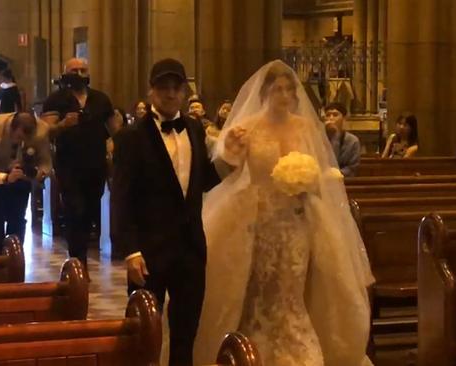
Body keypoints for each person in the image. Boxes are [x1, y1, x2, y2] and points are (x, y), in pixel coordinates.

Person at [194, 60, 373, 366]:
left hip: (296, 222)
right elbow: (228, 171)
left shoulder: (304, 127)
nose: (284, 95)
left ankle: (297, 347)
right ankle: (254, 346)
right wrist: (231, 151)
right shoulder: (248, 127)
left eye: (289, 89)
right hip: (259, 222)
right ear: (264, 93)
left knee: (291, 290)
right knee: (260, 289)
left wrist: (309, 180)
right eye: (277, 89)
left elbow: (319, 168)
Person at [110, 58, 220, 366]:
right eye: (163, 88)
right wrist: (130, 250)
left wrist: (231, 161)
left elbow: (201, 182)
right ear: (151, 91)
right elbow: (121, 197)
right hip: (149, 250)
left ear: (184, 92)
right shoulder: (131, 137)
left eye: (176, 88)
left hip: (190, 249)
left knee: (186, 333)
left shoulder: (195, 129)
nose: (170, 94)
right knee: (143, 333)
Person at [41, 58, 114, 275]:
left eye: (83, 70)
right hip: (68, 164)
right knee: (75, 210)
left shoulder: (100, 99)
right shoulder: (56, 99)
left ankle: (79, 259)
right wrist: (63, 124)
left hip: (96, 164)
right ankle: (77, 264)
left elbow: (113, 128)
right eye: (75, 70)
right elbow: (44, 130)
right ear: (65, 73)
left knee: (90, 211)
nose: (79, 74)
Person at [0, 112, 51, 254]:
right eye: (20, 137)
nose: (23, 142)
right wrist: (5, 177)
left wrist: (36, 173)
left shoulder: (42, 130)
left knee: (18, 222)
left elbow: (46, 163)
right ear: (12, 129)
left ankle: (15, 260)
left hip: (21, 180)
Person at [324, 102, 360, 177]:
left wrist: (335, 174)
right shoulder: (319, 138)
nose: (331, 118)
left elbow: (352, 168)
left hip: (345, 181)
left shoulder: (352, 141)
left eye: (335, 115)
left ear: (343, 118)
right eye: (328, 115)